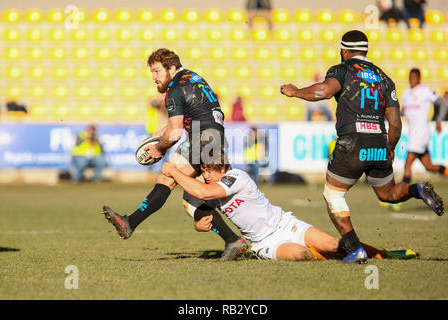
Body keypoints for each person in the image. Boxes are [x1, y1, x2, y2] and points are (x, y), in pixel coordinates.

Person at [280, 30, 444, 263]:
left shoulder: (343, 69)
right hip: (379, 139)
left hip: (352, 141)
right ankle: (416, 190)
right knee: (388, 193)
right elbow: (395, 123)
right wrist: (390, 148)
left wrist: (295, 91)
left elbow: (324, 91)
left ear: (344, 50)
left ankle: (355, 249)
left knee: (333, 195)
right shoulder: (384, 78)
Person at [102, 48, 247, 262]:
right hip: (210, 136)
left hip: (202, 138)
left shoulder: (175, 89)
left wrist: (160, 148)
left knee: (167, 177)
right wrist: (155, 139)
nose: (154, 78)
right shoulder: (191, 78)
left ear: (170, 68)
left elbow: (176, 132)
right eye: (152, 73)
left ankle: (130, 223)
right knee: (192, 201)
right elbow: (175, 125)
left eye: (157, 71)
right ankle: (233, 240)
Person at [161, 150, 418, 262]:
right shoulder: (213, 184)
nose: (206, 175)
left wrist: (173, 171)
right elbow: (193, 201)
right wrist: (198, 225)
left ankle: (385, 254)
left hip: (286, 223)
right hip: (265, 243)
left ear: (223, 167)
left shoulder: (235, 177)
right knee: (300, 255)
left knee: (334, 243)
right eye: (203, 171)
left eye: (209, 170)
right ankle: (338, 256)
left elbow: (202, 190)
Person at [401, 68, 448, 183]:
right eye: (410, 77)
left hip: (421, 132)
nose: (411, 79)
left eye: (414, 77)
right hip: (413, 133)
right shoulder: (406, 93)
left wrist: (438, 120)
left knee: (407, 164)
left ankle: (399, 196)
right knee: (429, 166)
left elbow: (442, 103)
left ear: (419, 78)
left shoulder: (425, 90)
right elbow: (403, 111)